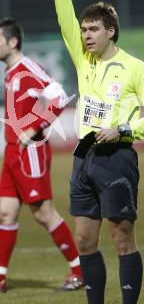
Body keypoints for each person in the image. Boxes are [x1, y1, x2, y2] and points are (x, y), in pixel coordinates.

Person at [40, 0, 144, 304]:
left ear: (110, 30)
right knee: (84, 238)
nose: (86, 36)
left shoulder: (134, 67)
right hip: (85, 157)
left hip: (118, 157)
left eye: (93, 30)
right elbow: (64, 16)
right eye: (84, 31)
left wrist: (125, 130)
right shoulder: (84, 61)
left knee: (122, 235)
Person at [0, 18, 83, 293]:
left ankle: (79, 271)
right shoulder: (11, 72)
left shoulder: (27, 68)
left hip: (29, 153)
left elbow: (59, 96)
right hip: (12, 153)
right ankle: (0, 277)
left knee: (44, 214)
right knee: (5, 214)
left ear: (12, 42)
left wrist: (34, 128)